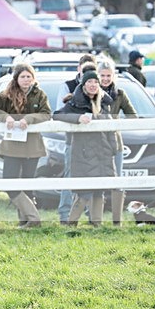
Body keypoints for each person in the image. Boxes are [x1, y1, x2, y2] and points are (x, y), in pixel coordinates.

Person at [0, 63, 51, 227]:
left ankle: (26, 221)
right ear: (16, 78)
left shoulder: (39, 94)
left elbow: (46, 114)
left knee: (27, 185)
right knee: (9, 183)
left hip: (32, 146)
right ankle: (34, 218)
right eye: (23, 76)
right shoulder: (7, 94)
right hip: (12, 146)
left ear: (33, 78)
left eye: (29, 76)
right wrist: (5, 117)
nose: (26, 79)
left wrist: (29, 119)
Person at [54, 70, 116, 226]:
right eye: (89, 82)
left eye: (95, 82)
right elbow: (57, 115)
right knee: (83, 192)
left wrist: (113, 148)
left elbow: (110, 128)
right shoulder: (75, 102)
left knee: (99, 191)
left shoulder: (103, 103)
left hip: (103, 152)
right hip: (83, 153)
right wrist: (78, 118)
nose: (93, 85)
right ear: (83, 85)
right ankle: (71, 224)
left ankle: (97, 224)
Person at [56, 54, 97, 223]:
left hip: (94, 143)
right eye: (85, 68)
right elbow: (59, 112)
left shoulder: (100, 90)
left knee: (92, 176)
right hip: (73, 140)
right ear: (79, 68)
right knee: (70, 175)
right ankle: (65, 214)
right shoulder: (68, 86)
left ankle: (92, 215)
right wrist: (77, 118)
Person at [97, 58, 137, 225]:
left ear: (113, 76)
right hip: (96, 143)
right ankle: (96, 220)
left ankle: (117, 221)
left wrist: (117, 123)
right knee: (97, 180)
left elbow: (132, 116)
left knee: (117, 180)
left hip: (115, 143)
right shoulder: (91, 92)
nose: (105, 79)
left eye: (108, 75)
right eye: (102, 75)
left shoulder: (119, 94)